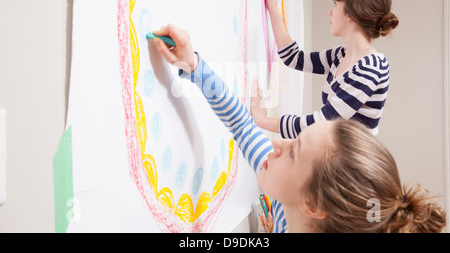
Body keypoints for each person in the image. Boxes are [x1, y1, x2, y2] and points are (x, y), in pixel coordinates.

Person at [151, 24, 446, 233]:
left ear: (314, 206)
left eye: (293, 151)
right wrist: (193, 64)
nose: (277, 144)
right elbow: (242, 125)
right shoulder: (287, 211)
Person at [251, 0, 399, 138]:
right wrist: (272, 7)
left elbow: (321, 125)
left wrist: (261, 120)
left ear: (352, 14)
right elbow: (294, 58)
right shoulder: (341, 55)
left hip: (348, 162)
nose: (330, 11)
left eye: (336, 4)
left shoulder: (371, 67)